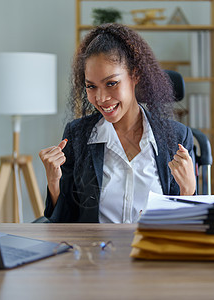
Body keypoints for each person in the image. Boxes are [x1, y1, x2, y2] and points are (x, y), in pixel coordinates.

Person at [39, 23, 196, 223]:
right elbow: (63, 223)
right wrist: (54, 182)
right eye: (91, 86)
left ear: (135, 74)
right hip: (95, 251)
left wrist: (188, 190)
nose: (101, 98)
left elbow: (187, 227)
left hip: (151, 251)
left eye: (111, 83)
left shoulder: (176, 137)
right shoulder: (77, 134)